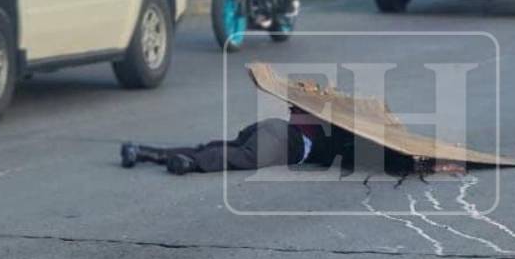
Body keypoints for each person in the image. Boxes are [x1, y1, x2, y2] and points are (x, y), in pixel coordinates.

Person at [120, 107, 465, 176]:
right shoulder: (350, 132)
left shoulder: (346, 125)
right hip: (287, 140)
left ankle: (147, 152)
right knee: (242, 158)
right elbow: (389, 159)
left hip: (272, 127)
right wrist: (428, 162)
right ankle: (191, 164)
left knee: (222, 147)